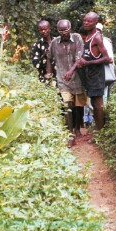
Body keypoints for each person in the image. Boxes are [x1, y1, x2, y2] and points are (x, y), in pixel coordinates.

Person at [46, 19, 86, 147]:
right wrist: (49, 74)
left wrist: (71, 70)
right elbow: (49, 58)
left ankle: (78, 128)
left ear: (70, 28)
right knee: (67, 104)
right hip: (62, 80)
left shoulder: (77, 38)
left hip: (78, 79)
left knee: (79, 106)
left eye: (66, 30)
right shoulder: (54, 43)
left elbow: (79, 59)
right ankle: (70, 135)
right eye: (61, 31)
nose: (64, 33)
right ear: (57, 31)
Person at [77, 12, 112, 132]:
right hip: (89, 75)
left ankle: (100, 131)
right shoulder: (87, 36)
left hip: (97, 76)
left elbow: (107, 58)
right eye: (85, 20)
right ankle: (97, 129)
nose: (86, 23)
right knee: (93, 102)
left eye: (89, 21)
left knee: (98, 105)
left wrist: (88, 63)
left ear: (95, 23)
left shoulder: (97, 37)